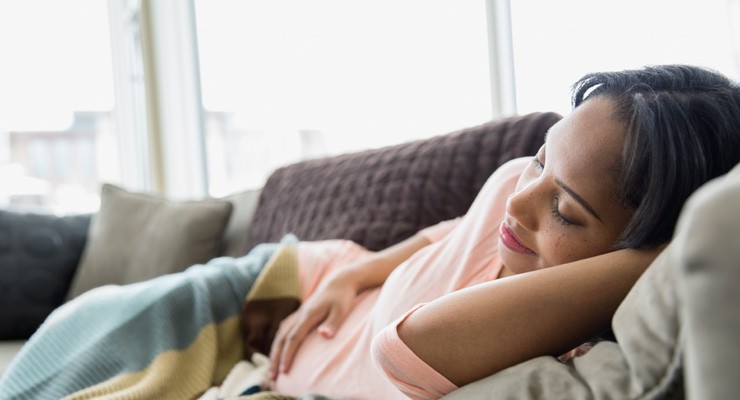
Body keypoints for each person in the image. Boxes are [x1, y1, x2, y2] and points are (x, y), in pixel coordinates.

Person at [264, 64, 740, 399]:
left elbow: (406, 347)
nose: (517, 199)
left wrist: (680, 245)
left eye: (565, 210)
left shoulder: (565, 345)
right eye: (541, 159)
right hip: (313, 274)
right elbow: (449, 235)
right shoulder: (511, 186)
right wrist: (355, 274)